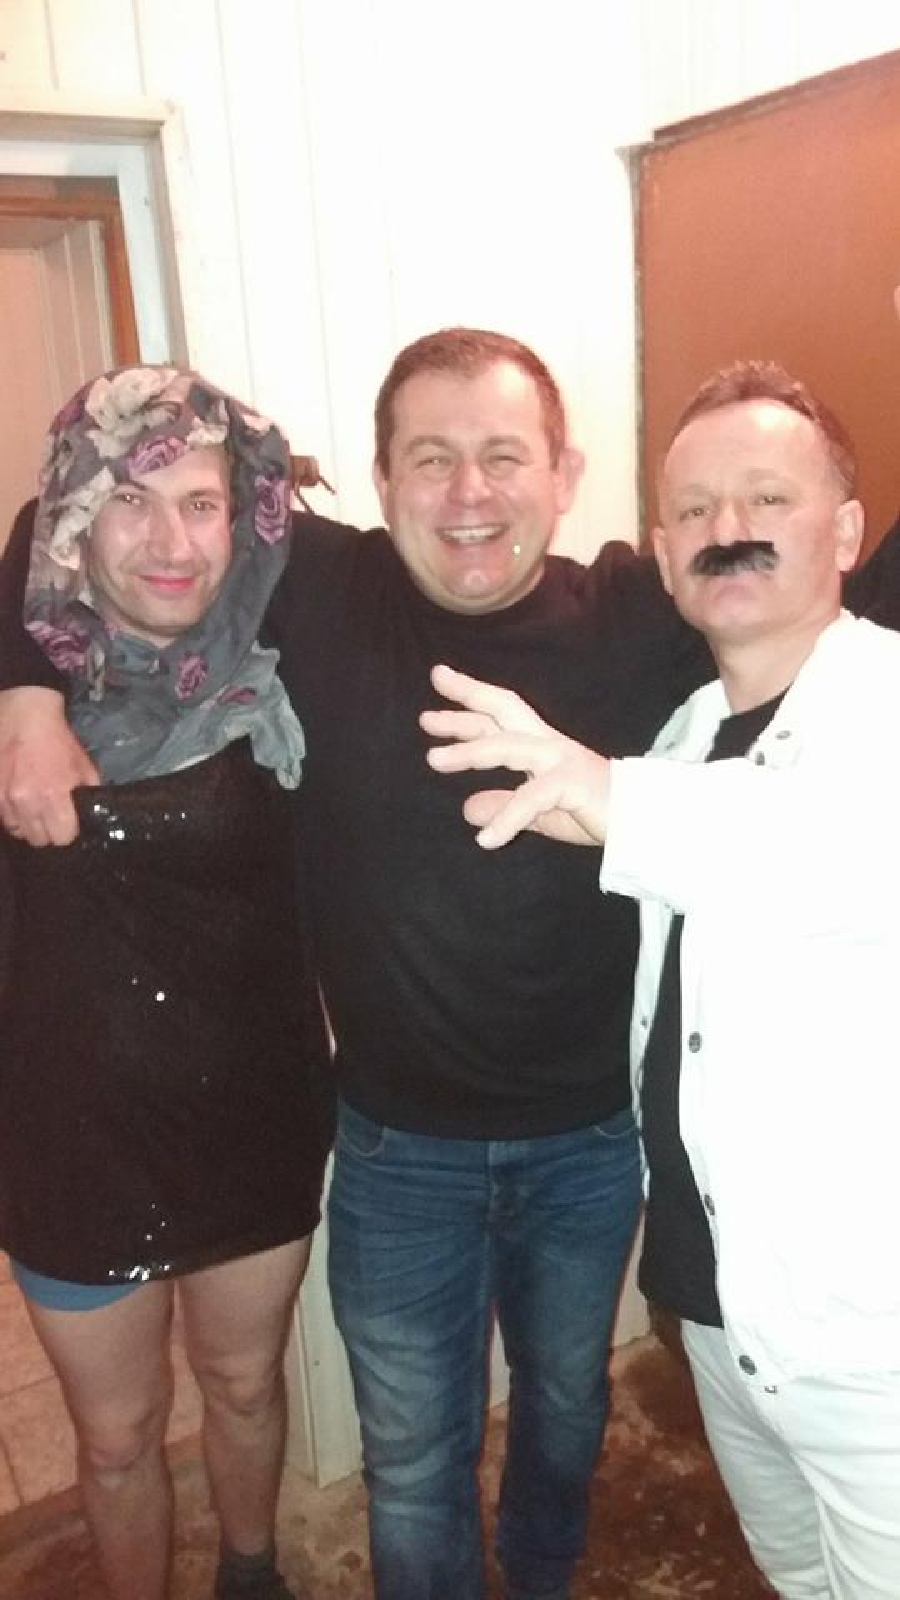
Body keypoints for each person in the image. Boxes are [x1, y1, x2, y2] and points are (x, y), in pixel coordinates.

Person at [1, 332, 894, 1600]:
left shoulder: (645, 609)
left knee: (567, 1414)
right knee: (412, 1459)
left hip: (591, 1148)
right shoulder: (317, 584)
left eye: (503, 457)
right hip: (394, 1150)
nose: (470, 493)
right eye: (431, 458)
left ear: (564, 473)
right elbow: (70, 503)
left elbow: (812, 627)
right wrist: (26, 691)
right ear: (379, 480)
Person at [421, 361, 900, 1598]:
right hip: (719, 1313)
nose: (727, 527)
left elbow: (812, 842)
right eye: (692, 509)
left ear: (848, 529)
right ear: (663, 552)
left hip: (873, 1348)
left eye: (767, 498)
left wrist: (604, 791)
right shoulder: (686, 739)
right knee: (799, 1577)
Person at [0, 367, 332, 1600]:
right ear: (74, 524)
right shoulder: (19, 694)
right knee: (117, 1434)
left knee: (244, 1382)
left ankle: (252, 1574)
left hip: (252, 1114)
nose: (170, 544)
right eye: (128, 503)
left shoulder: (285, 658)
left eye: (200, 503)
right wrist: (24, 694)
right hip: (69, 1141)